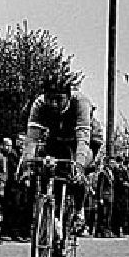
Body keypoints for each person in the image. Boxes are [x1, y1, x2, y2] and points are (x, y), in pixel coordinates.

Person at [24, 72, 94, 232]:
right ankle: (50, 214)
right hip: (57, 138)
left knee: (78, 173)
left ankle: (79, 210)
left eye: (59, 99)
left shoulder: (81, 103)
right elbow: (31, 139)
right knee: (44, 166)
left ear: (68, 97)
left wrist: (80, 165)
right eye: (50, 98)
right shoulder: (39, 104)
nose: (53, 104)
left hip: (83, 139)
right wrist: (27, 164)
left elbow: (83, 140)